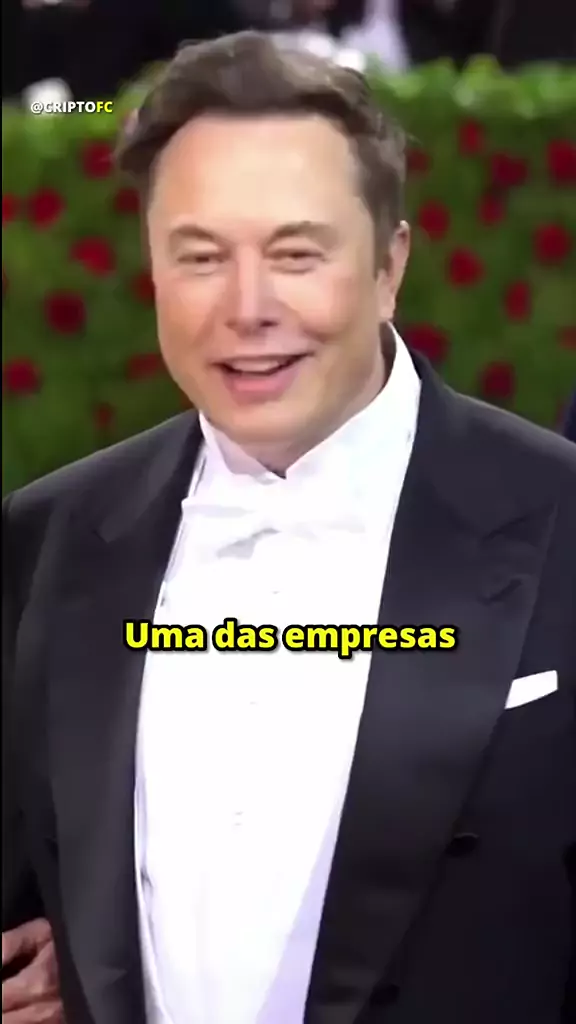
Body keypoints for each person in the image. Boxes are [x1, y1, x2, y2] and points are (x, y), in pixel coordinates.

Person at [2, 31, 575, 1024]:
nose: (248, 307)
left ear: (390, 265)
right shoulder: (49, 537)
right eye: (200, 257)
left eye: (296, 254)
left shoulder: (560, 515)